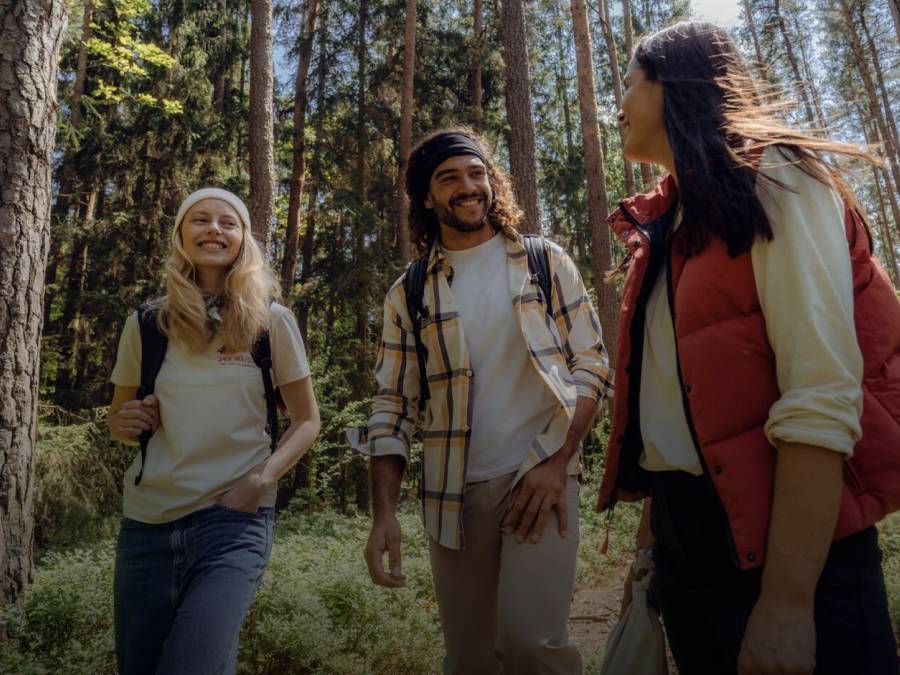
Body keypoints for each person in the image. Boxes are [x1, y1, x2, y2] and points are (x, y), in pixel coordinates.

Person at [597, 21, 900, 675]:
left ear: (674, 84)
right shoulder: (664, 225)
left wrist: (789, 601)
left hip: (796, 553)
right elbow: (676, 412)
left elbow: (820, 391)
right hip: (687, 548)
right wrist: (651, 554)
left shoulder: (780, 177)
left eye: (627, 82)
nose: (615, 104)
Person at [348, 128, 613, 674]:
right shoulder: (410, 292)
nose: (469, 187)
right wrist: (384, 514)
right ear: (426, 197)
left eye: (478, 174)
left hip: (541, 477)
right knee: (469, 659)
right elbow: (392, 404)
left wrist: (558, 461)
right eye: (450, 178)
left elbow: (593, 365)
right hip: (452, 493)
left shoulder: (544, 263)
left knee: (529, 646)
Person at [106, 188, 321, 675]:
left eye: (228, 222)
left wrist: (260, 483)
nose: (214, 230)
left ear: (244, 238)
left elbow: (307, 420)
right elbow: (119, 420)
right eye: (200, 220)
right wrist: (128, 421)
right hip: (147, 525)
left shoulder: (271, 321)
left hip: (232, 521)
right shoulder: (145, 323)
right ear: (182, 236)